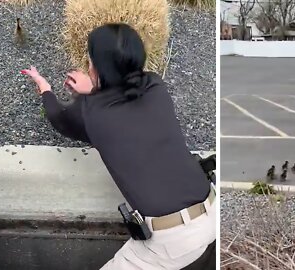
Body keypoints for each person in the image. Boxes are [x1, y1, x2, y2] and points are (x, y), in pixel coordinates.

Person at [21, 23, 215, 270]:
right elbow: (123, 112)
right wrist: (94, 91)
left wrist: (45, 88)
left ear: (97, 66)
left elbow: (60, 119)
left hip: (173, 240)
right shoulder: (156, 86)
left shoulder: (90, 113)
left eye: (91, 61)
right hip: (211, 208)